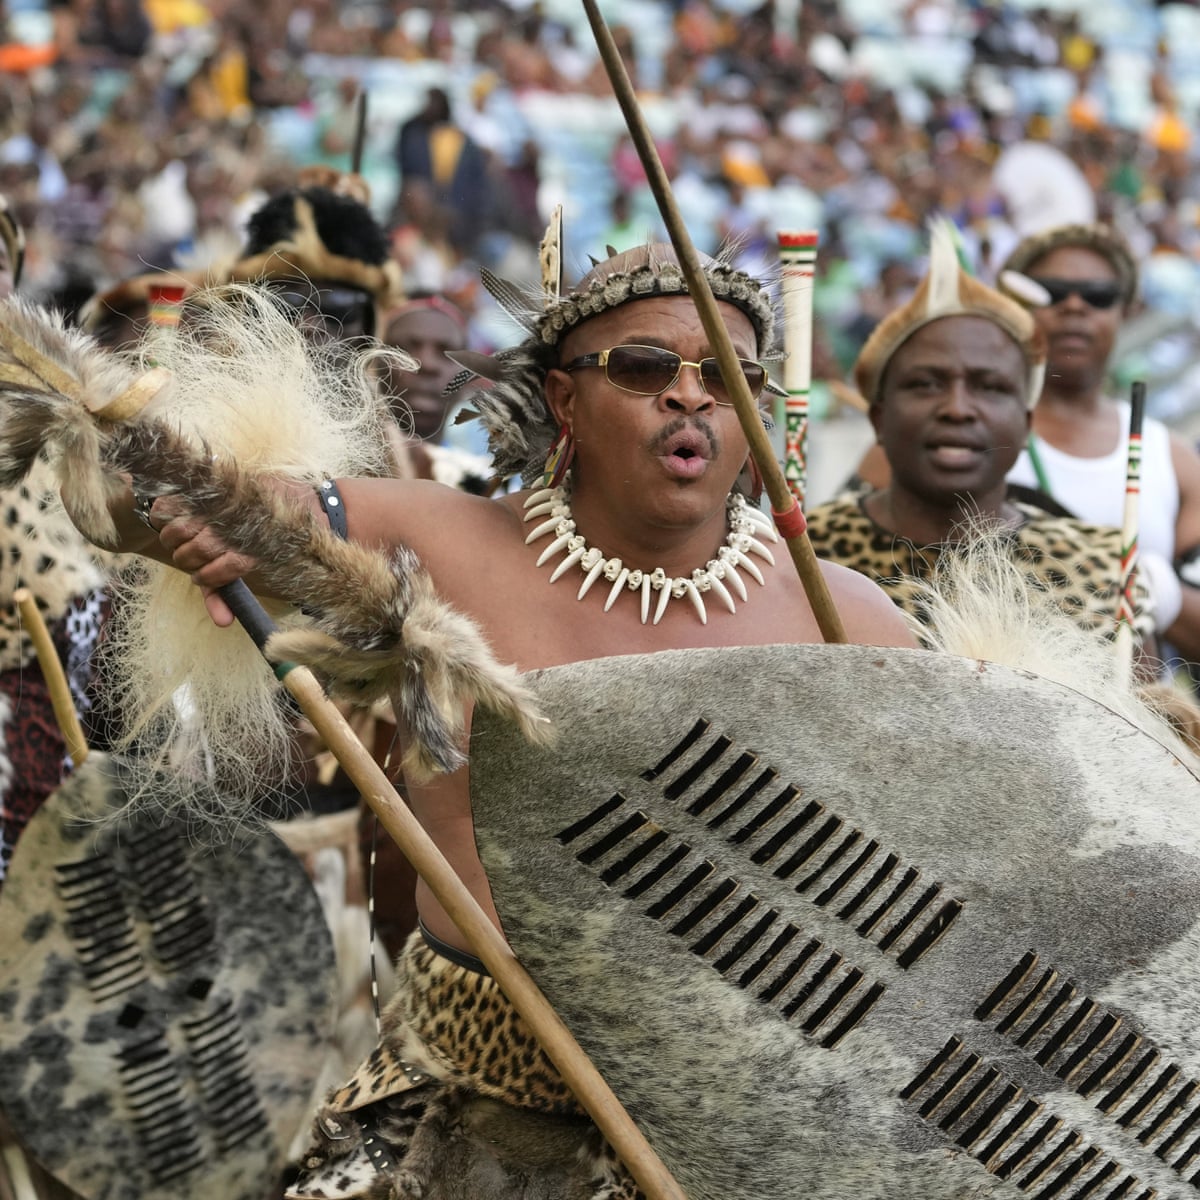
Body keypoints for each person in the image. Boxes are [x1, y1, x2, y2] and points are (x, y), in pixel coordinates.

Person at [120, 242, 916, 1194]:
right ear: (565, 400)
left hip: (744, 1143)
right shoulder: (438, 541)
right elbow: (132, 502)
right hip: (468, 1120)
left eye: (728, 375)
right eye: (645, 366)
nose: (690, 396)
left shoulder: (847, 618)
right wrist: (211, 513)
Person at [806, 221, 1155, 654]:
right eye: (926, 383)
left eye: (990, 386)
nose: (957, 407)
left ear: (1026, 423)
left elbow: (1141, 715)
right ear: (878, 418)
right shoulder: (804, 560)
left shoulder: (1101, 570)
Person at [1000, 221, 1200, 664]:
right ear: (1014, 304)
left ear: (1126, 311)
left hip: (1136, 725)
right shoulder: (956, 435)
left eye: (1098, 295)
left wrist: (1151, 585)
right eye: (1050, 291)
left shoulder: (1172, 458)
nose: (1074, 306)